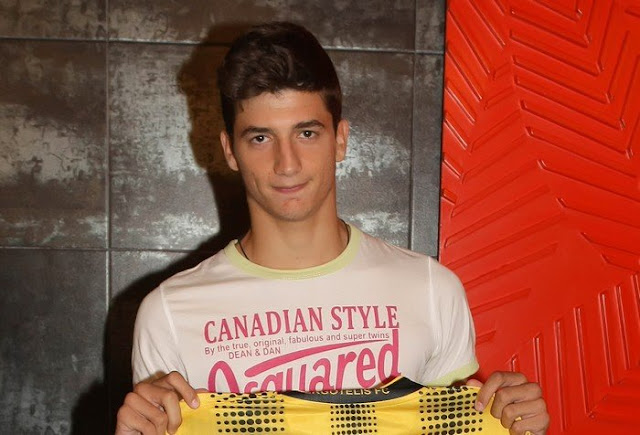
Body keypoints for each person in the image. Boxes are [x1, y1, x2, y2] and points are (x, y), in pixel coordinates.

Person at [115, 22, 549, 435]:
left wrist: (513, 423)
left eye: (306, 133)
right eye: (260, 138)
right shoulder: (169, 313)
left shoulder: (431, 289)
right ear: (230, 150)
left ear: (340, 139)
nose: (287, 164)